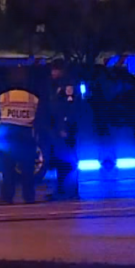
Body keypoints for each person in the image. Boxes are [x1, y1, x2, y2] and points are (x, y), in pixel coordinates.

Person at [0, 86, 40, 205]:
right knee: (28, 169)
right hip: (26, 135)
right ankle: (29, 197)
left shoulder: (4, 96)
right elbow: (40, 118)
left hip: (7, 135)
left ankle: (6, 198)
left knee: (8, 169)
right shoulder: (32, 97)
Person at [46, 59, 80, 201]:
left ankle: (70, 191)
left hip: (65, 129)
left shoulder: (67, 85)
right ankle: (61, 190)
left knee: (68, 160)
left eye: (54, 70)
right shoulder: (57, 84)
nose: (52, 73)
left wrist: (64, 127)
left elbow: (69, 108)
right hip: (58, 128)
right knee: (60, 161)